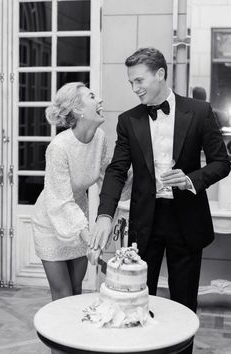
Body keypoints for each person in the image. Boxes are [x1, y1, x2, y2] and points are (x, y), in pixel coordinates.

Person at [89, 48, 230, 354]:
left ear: (161, 74)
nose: (135, 87)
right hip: (145, 222)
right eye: (131, 83)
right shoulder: (129, 120)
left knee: (184, 307)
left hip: (187, 220)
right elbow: (116, 171)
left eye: (139, 80)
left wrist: (192, 178)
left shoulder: (200, 111)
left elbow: (222, 162)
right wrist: (104, 215)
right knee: (137, 303)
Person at [32, 82, 107, 304]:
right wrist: (88, 236)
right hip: (51, 219)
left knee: (76, 291)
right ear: (78, 110)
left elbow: (105, 176)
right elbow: (61, 200)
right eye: (93, 96)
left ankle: (75, 338)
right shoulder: (59, 147)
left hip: (78, 216)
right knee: (63, 296)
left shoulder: (100, 137)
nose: (100, 100)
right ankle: (59, 338)